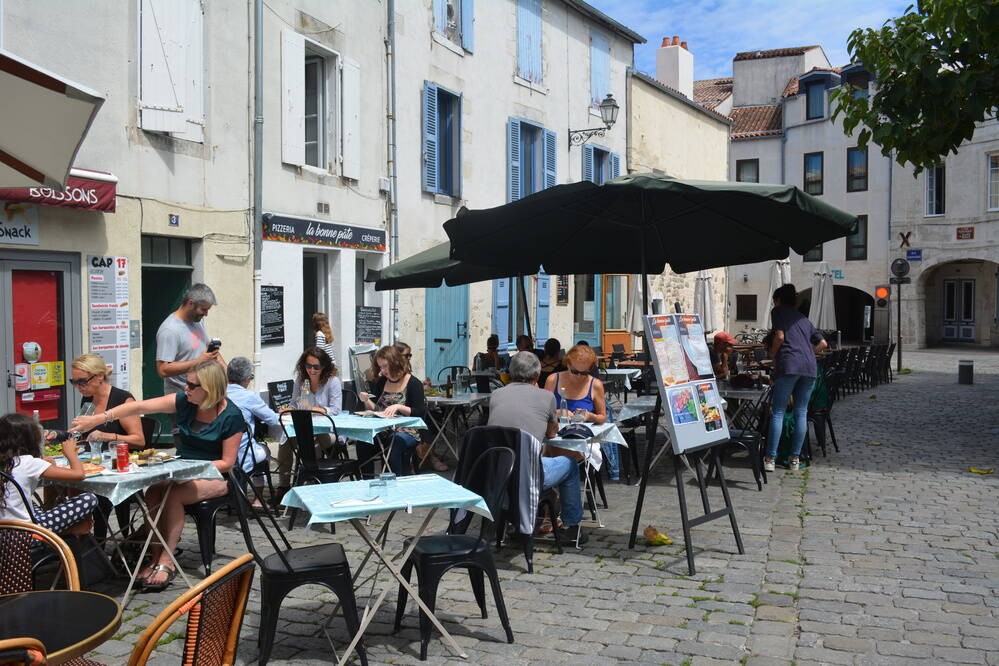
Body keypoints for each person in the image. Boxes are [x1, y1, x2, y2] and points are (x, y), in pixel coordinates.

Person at [71, 360, 242, 591]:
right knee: (153, 491)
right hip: (182, 470)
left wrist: (187, 470)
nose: (185, 389)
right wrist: (99, 419)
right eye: (186, 384)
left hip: (216, 476)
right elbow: (138, 408)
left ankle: (166, 561)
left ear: (209, 389)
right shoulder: (185, 402)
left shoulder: (231, 415)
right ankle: (152, 557)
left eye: (192, 386)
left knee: (173, 496)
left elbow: (227, 462)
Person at [487, 352, 586, 544]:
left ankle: (521, 521)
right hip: (528, 473)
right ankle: (572, 527)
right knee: (570, 465)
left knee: (538, 462)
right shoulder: (546, 396)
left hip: (498, 471)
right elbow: (551, 433)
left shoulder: (497, 395)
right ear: (537, 374)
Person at [764, 284, 828, 472]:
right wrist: (808, 353)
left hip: (789, 365)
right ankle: (794, 459)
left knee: (778, 412)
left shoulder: (778, 312)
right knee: (801, 412)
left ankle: (770, 458)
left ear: (778, 300)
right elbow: (822, 343)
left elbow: (780, 337)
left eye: (775, 301)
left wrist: (773, 354)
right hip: (809, 367)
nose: (774, 304)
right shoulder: (804, 319)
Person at [0, 413, 97, 535]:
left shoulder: (9, 462)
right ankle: (61, 532)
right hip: (26, 534)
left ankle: (62, 531)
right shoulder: (28, 463)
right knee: (89, 498)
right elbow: (79, 475)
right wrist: (71, 453)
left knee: (27, 500)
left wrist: (40, 463)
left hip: (5, 532)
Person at [156, 284, 224, 432]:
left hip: (203, 395)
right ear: (190, 303)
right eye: (203, 309)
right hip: (184, 398)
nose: (205, 314)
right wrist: (198, 361)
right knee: (187, 443)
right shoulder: (170, 330)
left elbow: (208, 352)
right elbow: (163, 369)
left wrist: (226, 376)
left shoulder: (197, 322)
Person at [544, 344, 617, 480]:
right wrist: (557, 412)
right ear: (568, 364)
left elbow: (602, 417)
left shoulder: (595, 385)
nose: (579, 376)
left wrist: (589, 415)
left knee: (565, 453)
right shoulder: (553, 380)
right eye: (575, 372)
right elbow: (542, 411)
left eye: (584, 373)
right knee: (553, 449)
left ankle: (555, 486)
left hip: (581, 439)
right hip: (554, 437)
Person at [276, 347, 342, 492]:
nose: (311, 370)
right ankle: (283, 486)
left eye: (316, 367)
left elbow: (336, 410)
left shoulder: (332, 381)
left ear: (324, 366)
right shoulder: (301, 381)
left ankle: (313, 481)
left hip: (327, 430)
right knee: (286, 441)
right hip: (305, 427)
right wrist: (288, 409)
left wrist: (316, 409)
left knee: (313, 441)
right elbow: (295, 404)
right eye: (308, 366)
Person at [355, 345, 428, 475]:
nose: (382, 371)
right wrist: (366, 401)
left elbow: (419, 412)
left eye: (385, 366)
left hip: (408, 431)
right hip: (383, 429)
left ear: (394, 363)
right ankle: (366, 480)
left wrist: (399, 406)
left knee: (394, 443)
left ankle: (395, 482)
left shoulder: (413, 383)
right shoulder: (382, 381)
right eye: (380, 367)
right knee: (362, 443)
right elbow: (378, 409)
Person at [226, 357, 279, 504]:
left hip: (218, 453)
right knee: (264, 451)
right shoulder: (249, 396)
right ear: (248, 378)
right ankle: (258, 498)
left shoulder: (218, 393)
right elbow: (273, 419)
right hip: (240, 455)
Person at [71, 353, 145, 450]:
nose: (78, 387)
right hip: (93, 460)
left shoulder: (122, 399)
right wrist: (56, 434)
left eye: (82, 382)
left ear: (100, 376)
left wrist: (107, 436)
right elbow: (83, 435)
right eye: (74, 382)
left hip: (119, 459)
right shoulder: (88, 398)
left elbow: (139, 441)